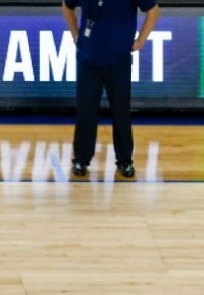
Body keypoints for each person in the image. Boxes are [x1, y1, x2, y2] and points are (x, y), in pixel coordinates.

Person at [63, 0, 161, 179]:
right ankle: (81, 159)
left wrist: (141, 41)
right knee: (85, 112)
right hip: (88, 60)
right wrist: (75, 34)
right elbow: (67, 5)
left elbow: (153, 10)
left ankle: (125, 161)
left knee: (121, 112)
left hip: (119, 61)